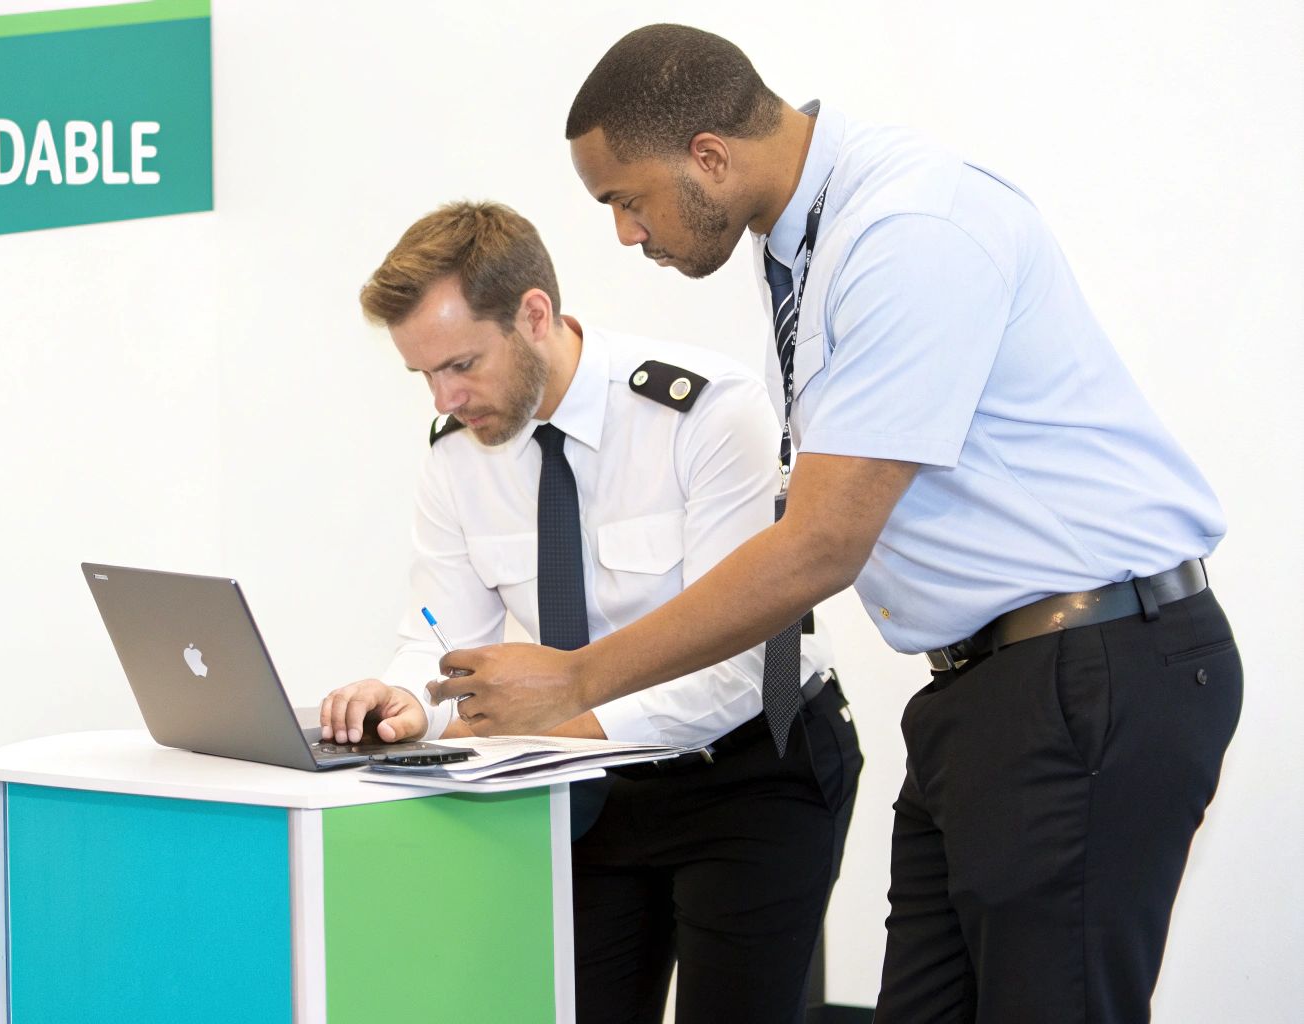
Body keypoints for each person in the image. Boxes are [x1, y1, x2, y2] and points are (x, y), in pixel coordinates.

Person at [427, 24, 1242, 1024]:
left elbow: (818, 543)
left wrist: (575, 677)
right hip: (985, 687)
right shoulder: (810, 240)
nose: (626, 236)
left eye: (626, 200)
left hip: (1088, 667)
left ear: (709, 158)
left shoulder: (908, 231)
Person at [317, 200, 861, 1024]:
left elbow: (745, 668)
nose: (446, 395)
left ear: (535, 314)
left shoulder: (708, 413)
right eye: (424, 374)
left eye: (461, 363)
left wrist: (545, 721)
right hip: (591, 792)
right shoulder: (456, 456)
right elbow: (441, 638)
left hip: (754, 769)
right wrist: (404, 703)